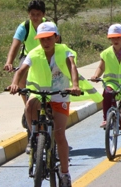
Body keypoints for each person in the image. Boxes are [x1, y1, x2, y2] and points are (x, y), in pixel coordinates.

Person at [8, 21, 102, 187]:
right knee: (29, 107)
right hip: (39, 92)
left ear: (56, 37)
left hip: (59, 94)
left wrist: (75, 86)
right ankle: (34, 136)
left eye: (49, 38)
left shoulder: (64, 50)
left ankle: (65, 173)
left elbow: (72, 66)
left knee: (59, 135)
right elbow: (21, 69)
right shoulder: (34, 53)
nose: (45, 42)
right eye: (42, 39)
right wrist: (15, 83)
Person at [4, 0, 46, 74]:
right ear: (28, 14)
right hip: (28, 56)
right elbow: (15, 45)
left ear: (43, 14)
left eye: (38, 14)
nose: (35, 17)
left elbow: (57, 43)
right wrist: (9, 62)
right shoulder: (24, 27)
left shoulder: (49, 26)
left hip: (47, 55)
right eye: (32, 14)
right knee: (20, 73)